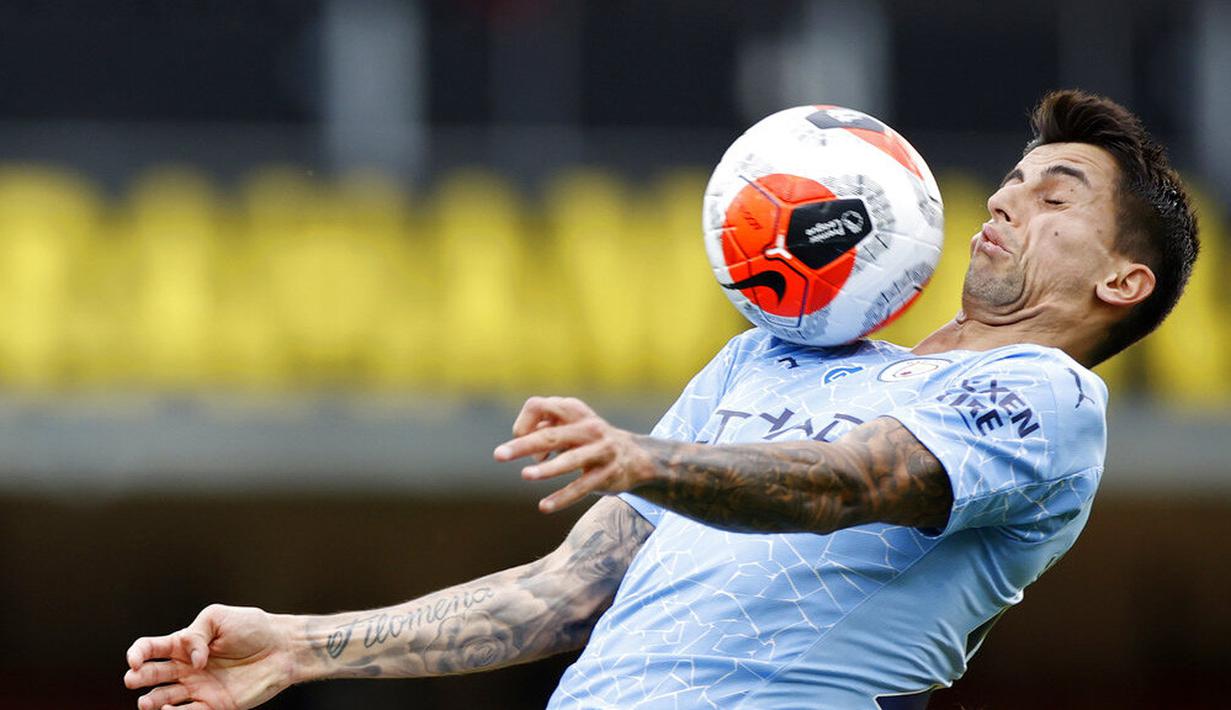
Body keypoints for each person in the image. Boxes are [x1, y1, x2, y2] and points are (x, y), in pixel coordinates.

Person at [124, 90, 1199, 710]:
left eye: (1054, 196)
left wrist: (645, 459)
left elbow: (855, 480)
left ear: (1121, 282)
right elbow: (563, 594)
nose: (1006, 202)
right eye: (1008, 184)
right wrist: (307, 643)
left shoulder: (1045, 400)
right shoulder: (761, 361)